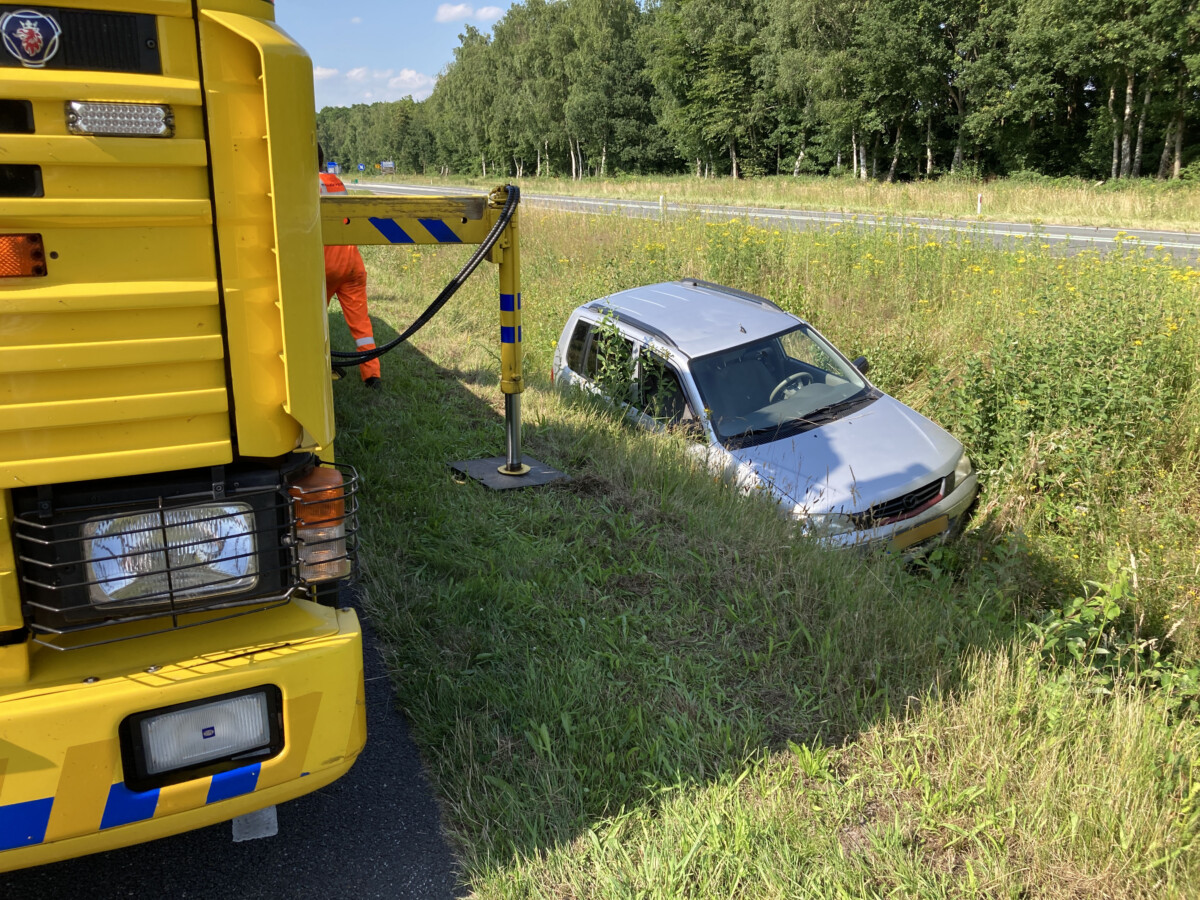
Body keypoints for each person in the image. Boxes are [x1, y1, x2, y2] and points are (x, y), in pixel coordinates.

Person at [318, 145, 381, 388]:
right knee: (361, 324)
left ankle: (322, 366)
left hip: (325, 264)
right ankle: (372, 375)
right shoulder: (337, 182)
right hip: (351, 262)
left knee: (312, 321)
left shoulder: (306, 185)